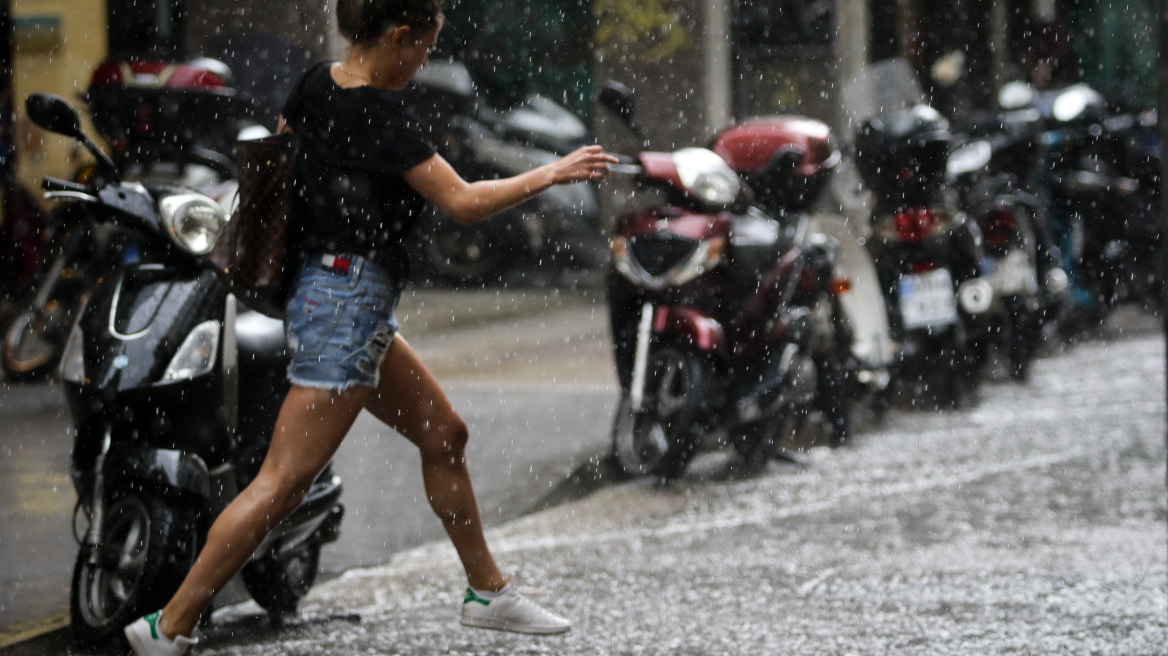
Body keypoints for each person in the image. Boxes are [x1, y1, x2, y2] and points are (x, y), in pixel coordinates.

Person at [123, 1, 616, 653]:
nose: (424, 62)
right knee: (281, 482)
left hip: (334, 296)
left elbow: (281, 168)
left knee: (445, 434)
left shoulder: (314, 84)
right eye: (425, 47)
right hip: (344, 304)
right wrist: (554, 171)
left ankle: (487, 592)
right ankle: (170, 625)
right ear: (401, 37)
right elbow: (463, 202)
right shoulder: (381, 115)